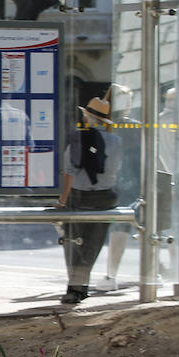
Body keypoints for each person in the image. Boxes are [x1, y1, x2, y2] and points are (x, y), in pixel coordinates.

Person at [57, 95, 120, 305]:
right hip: (105, 198)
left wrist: (63, 200)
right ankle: (79, 286)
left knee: (73, 243)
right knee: (92, 245)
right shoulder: (116, 140)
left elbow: (69, 171)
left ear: (87, 116)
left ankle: (75, 288)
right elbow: (116, 169)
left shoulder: (78, 137)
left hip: (79, 196)